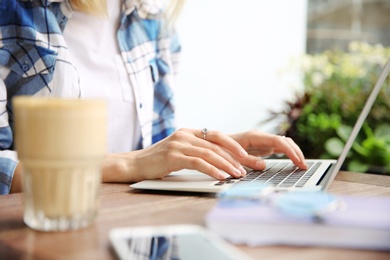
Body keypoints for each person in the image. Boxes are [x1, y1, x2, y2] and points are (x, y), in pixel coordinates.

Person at [0, 0, 307, 195]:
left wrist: (210, 150)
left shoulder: (152, 21)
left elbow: (152, 156)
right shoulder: (12, 12)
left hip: (134, 227)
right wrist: (129, 164)